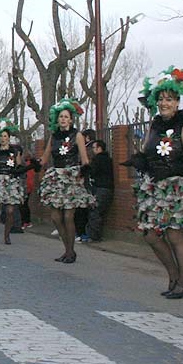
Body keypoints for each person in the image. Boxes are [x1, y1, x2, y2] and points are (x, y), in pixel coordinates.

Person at [125, 67, 183, 299]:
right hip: (155, 188)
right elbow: (147, 154)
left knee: (176, 236)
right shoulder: (154, 127)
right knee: (150, 235)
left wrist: (176, 172)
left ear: (177, 102)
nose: (164, 103)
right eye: (160, 99)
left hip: (177, 188)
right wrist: (140, 162)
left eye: (169, 99)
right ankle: (173, 275)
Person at [39, 98, 95, 263]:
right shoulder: (54, 136)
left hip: (71, 177)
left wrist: (84, 174)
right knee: (56, 217)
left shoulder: (77, 135)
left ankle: (70, 252)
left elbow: (84, 159)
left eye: (66, 116)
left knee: (68, 216)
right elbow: (44, 157)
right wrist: (31, 166)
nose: (63, 119)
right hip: (57, 177)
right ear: (57, 119)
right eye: (60, 117)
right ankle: (67, 250)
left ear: (71, 119)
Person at [0, 119, 24, 244]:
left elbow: (18, 166)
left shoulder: (15, 151)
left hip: (10, 180)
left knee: (10, 211)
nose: (3, 138)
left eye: (5, 136)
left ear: (9, 137)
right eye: (0, 136)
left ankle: (7, 236)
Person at [85, 140, 114, 242]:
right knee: (99, 212)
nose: (92, 150)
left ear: (99, 148)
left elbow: (92, 171)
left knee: (94, 211)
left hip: (100, 188)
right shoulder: (109, 159)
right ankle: (94, 235)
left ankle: (94, 236)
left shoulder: (97, 159)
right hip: (108, 188)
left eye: (93, 148)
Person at [75, 129, 97, 242]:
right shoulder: (90, 148)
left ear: (87, 137)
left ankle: (81, 232)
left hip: (85, 181)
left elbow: (84, 164)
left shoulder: (88, 149)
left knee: (81, 208)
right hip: (87, 181)